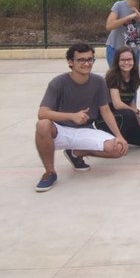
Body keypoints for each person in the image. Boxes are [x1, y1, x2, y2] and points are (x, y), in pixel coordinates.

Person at [34, 43, 128, 191]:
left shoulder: (98, 81)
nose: (87, 63)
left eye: (90, 59)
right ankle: (49, 172)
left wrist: (119, 136)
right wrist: (71, 116)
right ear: (70, 62)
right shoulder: (58, 82)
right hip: (61, 131)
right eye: (81, 60)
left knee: (118, 148)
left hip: (86, 130)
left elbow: (106, 111)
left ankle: (76, 152)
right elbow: (42, 113)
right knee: (43, 125)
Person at [100, 46, 140, 147]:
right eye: (123, 60)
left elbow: (131, 100)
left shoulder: (133, 76)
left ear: (134, 61)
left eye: (129, 59)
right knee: (128, 114)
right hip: (108, 119)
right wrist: (137, 111)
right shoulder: (112, 77)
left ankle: (124, 137)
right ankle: (116, 139)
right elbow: (117, 104)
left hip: (125, 117)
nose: (126, 63)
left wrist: (138, 119)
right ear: (117, 61)